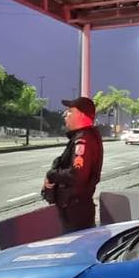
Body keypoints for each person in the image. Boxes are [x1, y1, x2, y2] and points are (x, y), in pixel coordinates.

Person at [42, 96, 103, 233]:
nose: (65, 114)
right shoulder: (84, 137)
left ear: (81, 115)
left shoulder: (83, 139)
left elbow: (77, 175)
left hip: (75, 213)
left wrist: (52, 175)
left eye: (70, 111)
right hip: (76, 210)